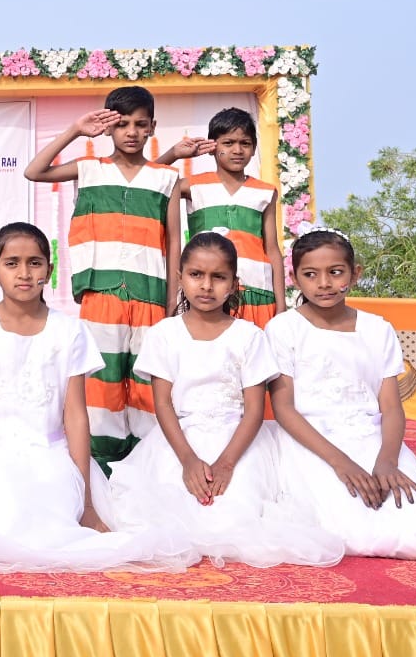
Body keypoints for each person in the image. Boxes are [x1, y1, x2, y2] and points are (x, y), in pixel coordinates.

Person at [0, 223, 196, 573]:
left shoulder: (69, 330)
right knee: (0, 528)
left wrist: (85, 496)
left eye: (35, 263)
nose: (24, 273)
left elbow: (75, 416)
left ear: (50, 269)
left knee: (55, 530)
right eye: (11, 263)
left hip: (51, 452)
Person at [100, 232, 343, 568]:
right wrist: (187, 460)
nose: (206, 286)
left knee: (236, 513)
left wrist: (227, 464)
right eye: (196, 275)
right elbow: (164, 405)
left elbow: (255, 411)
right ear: (181, 277)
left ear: (233, 283)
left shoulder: (249, 336)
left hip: (238, 442)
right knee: (166, 513)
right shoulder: (164, 335)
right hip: (179, 443)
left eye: (218, 277)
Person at [24, 85, 210, 470]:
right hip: (101, 292)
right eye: (122, 123)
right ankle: (102, 467)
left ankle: (147, 465)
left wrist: (174, 301)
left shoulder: (165, 178)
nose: (130, 132)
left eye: (140, 124)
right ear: (108, 127)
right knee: (102, 383)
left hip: (150, 293)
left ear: (152, 128)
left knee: (148, 383)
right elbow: (34, 171)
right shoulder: (90, 169)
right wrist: (76, 130)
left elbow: (175, 240)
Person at [267, 230, 416, 560]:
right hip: (311, 443)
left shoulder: (377, 329)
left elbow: (391, 408)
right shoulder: (283, 329)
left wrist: (387, 461)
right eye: (310, 274)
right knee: (345, 524)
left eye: (335, 272)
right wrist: (342, 464)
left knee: (413, 517)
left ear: (356, 273)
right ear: (294, 277)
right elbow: (284, 409)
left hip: (370, 438)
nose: (323, 283)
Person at [177, 107, 285, 328]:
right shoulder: (192, 186)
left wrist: (281, 304)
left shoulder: (265, 192)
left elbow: (272, 248)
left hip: (257, 291)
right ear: (212, 147)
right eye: (228, 143)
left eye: (245, 143)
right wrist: (176, 154)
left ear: (254, 148)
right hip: (210, 293)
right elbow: (150, 181)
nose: (237, 150)